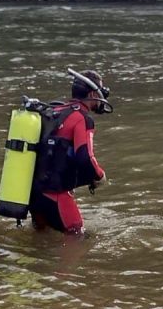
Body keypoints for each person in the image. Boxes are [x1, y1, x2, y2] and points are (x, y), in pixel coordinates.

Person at [28, 70, 111, 234]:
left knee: (40, 239)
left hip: (32, 192)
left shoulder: (55, 110)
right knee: (76, 237)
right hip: (55, 193)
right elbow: (85, 157)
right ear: (93, 93)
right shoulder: (82, 118)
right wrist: (99, 176)